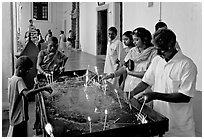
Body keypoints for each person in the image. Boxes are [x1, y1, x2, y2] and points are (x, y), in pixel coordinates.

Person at [128, 28, 197, 137]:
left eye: (161, 49)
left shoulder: (187, 65)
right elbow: (146, 81)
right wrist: (132, 92)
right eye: (156, 49)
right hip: (159, 118)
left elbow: (185, 96)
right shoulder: (157, 60)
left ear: (171, 45)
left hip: (179, 124)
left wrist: (155, 95)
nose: (158, 53)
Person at [103, 27, 157, 100]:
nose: (134, 42)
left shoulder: (153, 53)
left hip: (142, 88)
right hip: (129, 86)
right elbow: (125, 67)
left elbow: (149, 74)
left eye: (137, 39)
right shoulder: (132, 51)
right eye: (133, 39)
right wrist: (113, 75)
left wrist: (131, 73)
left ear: (144, 39)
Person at [7, 56, 53, 137]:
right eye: (27, 70)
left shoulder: (11, 80)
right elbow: (27, 94)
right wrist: (43, 88)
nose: (28, 72)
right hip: (19, 118)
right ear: (21, 68)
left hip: (13, 115)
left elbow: (22, 93)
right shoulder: (19, 80)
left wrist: (34, 89)